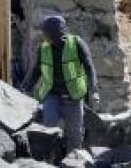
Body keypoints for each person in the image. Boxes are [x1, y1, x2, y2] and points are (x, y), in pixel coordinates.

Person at [22, 15, 99, 152]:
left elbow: (89, 68)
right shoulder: (44, 48)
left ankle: (74, 161)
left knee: (74, 135)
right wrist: (25, 89)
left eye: (46, 33)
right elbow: (35, 71)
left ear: (55, 32)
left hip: (74, 96)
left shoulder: (76, 44)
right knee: (47, 130)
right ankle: (47, 161)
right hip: (52, 95)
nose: (44, 36)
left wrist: (93, 90)